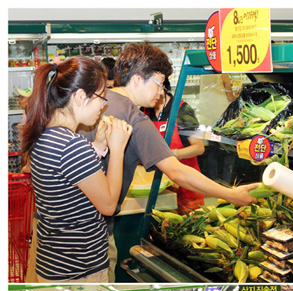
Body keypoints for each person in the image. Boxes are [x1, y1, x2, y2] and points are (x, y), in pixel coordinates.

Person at [78, 42, 258, 271]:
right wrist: (231, 195)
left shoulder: (96, 102)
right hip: (93, 235)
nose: (161, 92)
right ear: (137, 79)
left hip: (64, 227)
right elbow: (177, 171)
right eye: (159, 83)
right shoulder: (135, 120)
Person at [21, 56, 132, 282]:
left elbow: (68, 173)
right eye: (101, 97)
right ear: (80, 97)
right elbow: (109, 205)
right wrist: (118, 148)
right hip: (80, 270)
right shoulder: (73, 145)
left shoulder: (46, 135)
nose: (104, 105)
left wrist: (99, 146)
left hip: (53, 263)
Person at [142, 77, 205, 214]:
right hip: (160, 186)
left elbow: (199, 147)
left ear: (161, 88)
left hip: (186, 184)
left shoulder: (182, 110)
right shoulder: (145, 110)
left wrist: (171, 154)